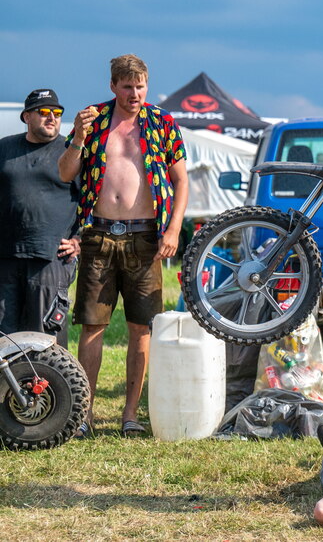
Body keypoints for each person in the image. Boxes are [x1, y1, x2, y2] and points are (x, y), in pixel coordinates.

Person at [57, 54, 189, 438]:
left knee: (141, 328)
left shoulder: (161, 122)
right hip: (97, 235)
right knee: (93, 327)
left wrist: (174, 229)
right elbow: (66, 173)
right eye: (128, 86)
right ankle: (84, 414)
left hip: (146, 236)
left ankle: (130, 415)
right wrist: (79, 138)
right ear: (113, 86)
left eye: (141, 86)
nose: (135, 93)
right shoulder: (93, 119)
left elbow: (181, 180)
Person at [0, 89, 81, 347]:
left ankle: (51, 388)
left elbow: (94, 203)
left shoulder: (72, 152)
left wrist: (80, 239)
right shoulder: (4, 149)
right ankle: (8, 388)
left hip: (51, 258)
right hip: (5, 259)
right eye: (43, 112)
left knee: (45, 338)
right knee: (4, 337)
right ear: (26, 117)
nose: (51, 118)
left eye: (57, 113)